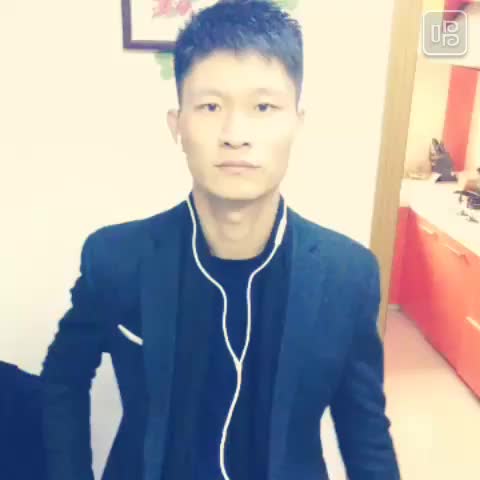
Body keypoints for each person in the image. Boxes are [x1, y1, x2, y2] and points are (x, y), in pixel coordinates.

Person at [40, 1, 400, 479]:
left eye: (263, 107)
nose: (235, 135)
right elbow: (62, 380)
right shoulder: (116, 258)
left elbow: (365, 428)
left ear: (297, 122)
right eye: (210, 106)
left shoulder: (348, 275)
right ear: (177, 125)